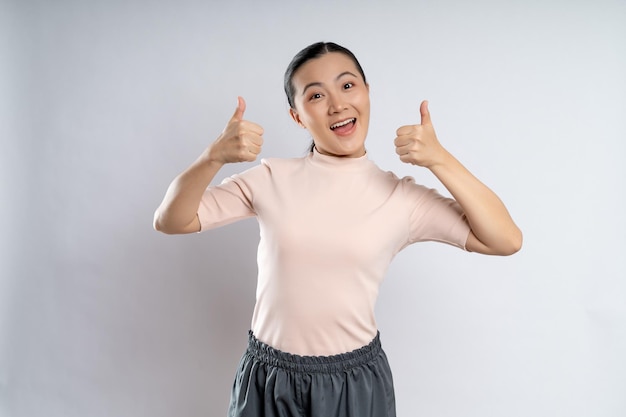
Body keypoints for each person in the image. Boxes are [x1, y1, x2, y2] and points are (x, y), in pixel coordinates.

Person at [153, 41, 522, 417]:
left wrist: (440, 160)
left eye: (347, 86)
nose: (337, 104)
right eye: (316, 95)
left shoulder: (401, 198)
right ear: (297, 116)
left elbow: (506, 239)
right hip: (269, 379)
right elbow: (171, 219)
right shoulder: (270, 178)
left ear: (366, 93)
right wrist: (213, 156)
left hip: (353, 384)